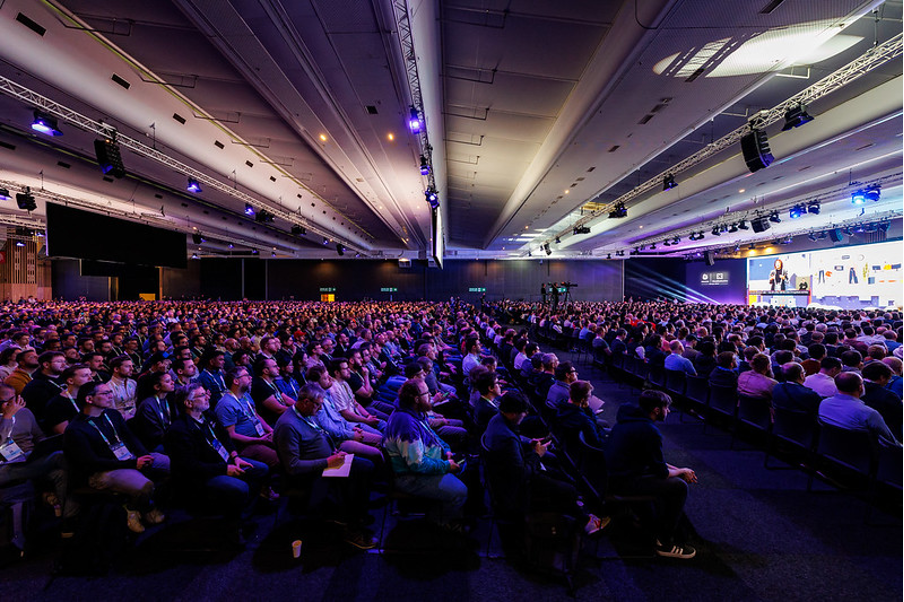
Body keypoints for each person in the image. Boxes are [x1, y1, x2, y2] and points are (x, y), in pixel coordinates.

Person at [484, 390, 608, 534]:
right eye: (523, 413)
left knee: (557, 471)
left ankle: (579, 511)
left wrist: (530, 442)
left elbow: (515, 438)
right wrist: (537, 454)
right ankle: (586, 522)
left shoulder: (497, 419)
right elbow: (522, 474)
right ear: (513, 413)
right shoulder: (507, 439)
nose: (525, 416)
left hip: (505, 476)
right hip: (514, 489)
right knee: (567, 488)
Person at [273, 383, 377, 550]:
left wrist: (332, 451)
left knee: (366, 467)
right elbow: (293, 466)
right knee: (353, 479)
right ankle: (350, 527)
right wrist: (327, 462)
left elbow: (319, 435)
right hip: (310, 474)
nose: (321, 409)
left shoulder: (307, 413)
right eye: (318, 405)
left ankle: (358, 515)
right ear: (306, 402)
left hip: (327, 461)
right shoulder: (288, 425)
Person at [164, 384, 268, 545]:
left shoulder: (208, 415)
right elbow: (189, 466)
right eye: (202, 395)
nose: (208, 397)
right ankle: (232, 527)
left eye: (206, 393)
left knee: (261, 469)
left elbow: (225, 437)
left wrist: (235, 456)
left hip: (223, 461)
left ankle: (242, 516)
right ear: (188, 403)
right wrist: (225, 469)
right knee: (239, 488)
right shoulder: (179, 430)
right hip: (202, 474)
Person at [64, 381, 170, 533]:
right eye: (105, 393)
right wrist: (133, 463)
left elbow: (131, 438)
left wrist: (144, 454)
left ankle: (148, 503)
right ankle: (136, 508)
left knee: (170, 463)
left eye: (110, 392)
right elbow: (92, 463)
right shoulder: (76, 429)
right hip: (102, 471)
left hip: (128, 460)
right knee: (144, 486)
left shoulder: (112, 415)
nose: (110, 396)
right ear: (89, 399)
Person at [606, 390, 698, 559]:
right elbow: (661, 472)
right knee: (679, 486)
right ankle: (664, 542)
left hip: (615, 475)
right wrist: (681, 472)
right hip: (624, 482)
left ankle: (652, 523)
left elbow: (652, 460)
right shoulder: (648, 431)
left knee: (675, 478)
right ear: (656, 410)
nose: (668, 411)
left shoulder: (627, 420)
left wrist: (679, 469)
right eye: (667, 408)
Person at [383, 378, 468, 531]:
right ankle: (438, 520)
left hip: (426, 464)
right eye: (427, 393)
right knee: (461, 492)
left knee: (466, 466)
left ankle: (443, 509)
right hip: (409, 477)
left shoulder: (415, 413)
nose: (431, 395)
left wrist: (446, 450)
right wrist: (446, 466)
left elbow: (433, 435)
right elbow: (417, 464)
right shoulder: (406, 424)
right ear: (416, 399)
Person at [0, 383, 78, 535]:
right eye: (5, 402)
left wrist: (43, 449)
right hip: (5, 467)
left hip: (30, 460)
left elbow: (39, 438)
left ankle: (69, 522)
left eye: (13, 400)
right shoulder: (10, 414)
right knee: (59, 457)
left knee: (61, 474)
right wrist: (7, 417)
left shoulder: (24, 413)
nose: (11, 405)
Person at [818, 372, 900, 445]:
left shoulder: (824, 403)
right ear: (860, 387)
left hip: (832, 448)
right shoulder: (868, 413)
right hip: (862, 454)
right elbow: (890, 441)